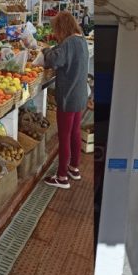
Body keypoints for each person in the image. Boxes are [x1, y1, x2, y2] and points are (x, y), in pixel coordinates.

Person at [42, 13, 90, 189]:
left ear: (62, 27)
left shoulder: (69, 43)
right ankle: (74, 168)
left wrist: (45, 50)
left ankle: (62, 177)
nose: (56, 33)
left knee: (64, 136)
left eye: (56, 29)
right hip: (79, 95)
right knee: (75, 132)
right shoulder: (81, 39)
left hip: (68, 96)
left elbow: (54, 60)